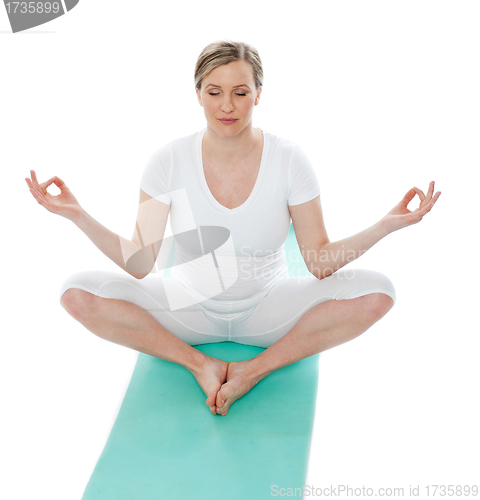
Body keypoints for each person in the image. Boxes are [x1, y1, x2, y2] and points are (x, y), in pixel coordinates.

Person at [25, 39, 441, 417]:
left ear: (258, 94)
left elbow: (317, 260)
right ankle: (198, 363)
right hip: (188, 304)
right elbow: (140, 262)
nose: (227, 105)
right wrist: (76, 213)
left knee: (379, 293)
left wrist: (387, 225)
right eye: (214, 92)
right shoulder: (168, 160)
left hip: (269, 305)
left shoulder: (290, 159)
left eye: (240, 93)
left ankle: (252, 371)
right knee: (75, 293)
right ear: (197, 95)